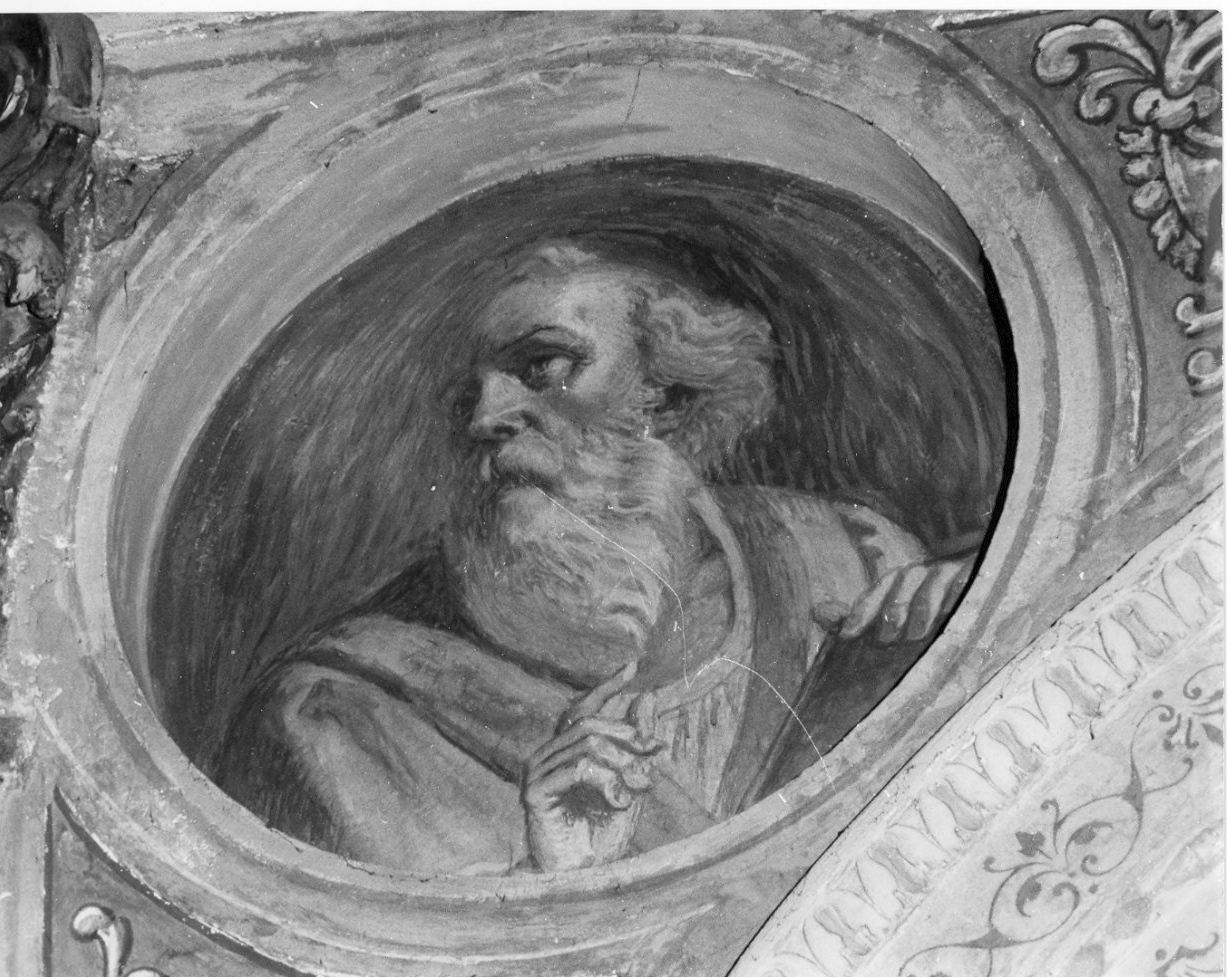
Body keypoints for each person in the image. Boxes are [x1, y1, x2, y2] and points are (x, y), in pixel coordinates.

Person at [215, 244, 974, 875]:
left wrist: (968, 642)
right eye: (464, 397)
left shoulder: (846, 558)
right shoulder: (337, 712)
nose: (485, 418)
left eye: (544, 365)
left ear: (667, 397)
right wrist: (555, 878)